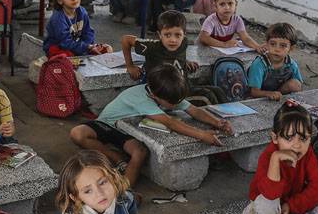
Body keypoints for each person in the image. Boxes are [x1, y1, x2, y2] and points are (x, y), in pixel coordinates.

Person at [70, 64, 233, 186]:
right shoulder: (141, 98)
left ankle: (124, 191)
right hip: (108, 125)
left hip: (127, 132)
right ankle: (116, 158)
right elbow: (170, 122)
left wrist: (218, 122)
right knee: (78, 133)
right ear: (154, 96)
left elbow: (193, 109)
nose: (176, 104)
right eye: (172, 103)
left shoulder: (166, 93)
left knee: (139, 152)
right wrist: (203, 135)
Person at [121, 11, 223, 103]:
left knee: (218, 90)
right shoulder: (153, 47)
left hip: (184, 86)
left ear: (184, 35)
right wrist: (130, 66)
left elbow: (176, 55)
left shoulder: (183, 43)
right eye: (167, 35)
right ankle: (218, 120)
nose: (173, 40)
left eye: (178, 35)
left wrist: (185, 61)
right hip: (167, 95)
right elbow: (126, 40)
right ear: (159, 35)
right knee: (208, 96)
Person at [43, 0, 111, 58]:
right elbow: (65, 43)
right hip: (59, 47)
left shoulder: (82, 11)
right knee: (66, 56)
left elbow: (88, 32)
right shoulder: (58, 18)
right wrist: (86, 47)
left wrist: (89, 46)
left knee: (107, 49)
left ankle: (82, 54)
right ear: (59, 0)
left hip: (77, 45)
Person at [245, 23, 305, 101]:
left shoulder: (291, 64)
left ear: (291, 48)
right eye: (273, 44)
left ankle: (277, 97)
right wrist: (269, 94)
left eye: (283, 45)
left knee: (295, 84)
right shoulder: (259, 64)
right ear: (266, 44)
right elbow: (254, 92)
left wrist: (277, 94)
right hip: (258, 96)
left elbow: (299, 86)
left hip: (278, 94)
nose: (277, 49)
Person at [197, 0, 261, 50]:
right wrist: (224, 44)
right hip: (207, 51)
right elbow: (203, 37)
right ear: (215, 6)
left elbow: (245, 38)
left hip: (224, 51)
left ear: (236, 5)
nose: (227, 8)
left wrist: (257, 47)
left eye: (230, 3)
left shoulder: (237, 20)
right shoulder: (211, 20)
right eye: (222, 4)